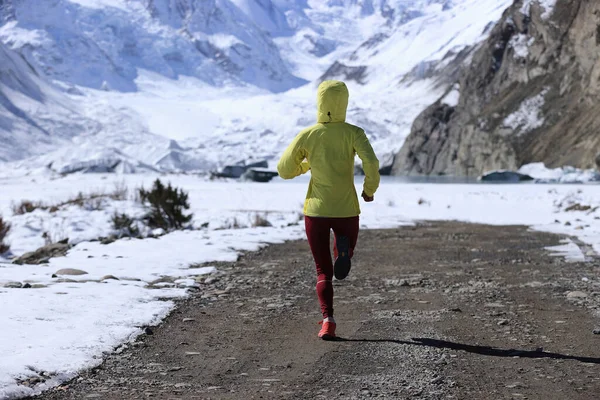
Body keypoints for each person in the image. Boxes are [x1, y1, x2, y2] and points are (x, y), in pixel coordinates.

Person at [277, 80, 380, 340]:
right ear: (344, 102)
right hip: (346, 208)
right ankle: (343, 249)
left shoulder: (308, 135)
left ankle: (328, 321)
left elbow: (284, 169)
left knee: (323, 271)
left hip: (317, 210)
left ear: (320, 102)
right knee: (342, 255)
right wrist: (369, 190)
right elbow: (372, 162)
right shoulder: (354, 133)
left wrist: (306, 166)